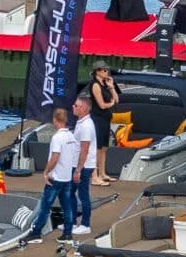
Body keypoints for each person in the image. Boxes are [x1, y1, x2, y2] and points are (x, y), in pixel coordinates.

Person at [27, 106, 80, 242]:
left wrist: (46, 172)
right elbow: (74, 156)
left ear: (56, 120)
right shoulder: (71, 136)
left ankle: (36, 232)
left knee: (45, 206)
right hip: (66, 178)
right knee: (67, 206)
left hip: (55, 178)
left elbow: (55, 157)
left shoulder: (57, 138)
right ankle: (68, 233)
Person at [86, 65, 119, 187]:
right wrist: (111, 103)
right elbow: (102, 105)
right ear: (97, 72)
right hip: (97, 118)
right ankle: (94, 176)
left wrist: (111, 87)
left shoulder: (106, 84)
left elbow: (117, 99)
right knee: (96, 148)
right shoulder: (95, 85)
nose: (107, 72)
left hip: (106, 119)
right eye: (105, 70)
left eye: (107, 70)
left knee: (104, 148)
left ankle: (103, 173)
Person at [70, 93, 98, 234]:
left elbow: (84, 149)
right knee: (69, 192)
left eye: (76, 106)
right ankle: (72, 221)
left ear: (84, 109)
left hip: (84, 166)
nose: (73, 107)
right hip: (77, 163)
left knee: (83, 194)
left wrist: (78, 170)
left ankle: (85, 224)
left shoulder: (86, 126)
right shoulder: (80, 122)